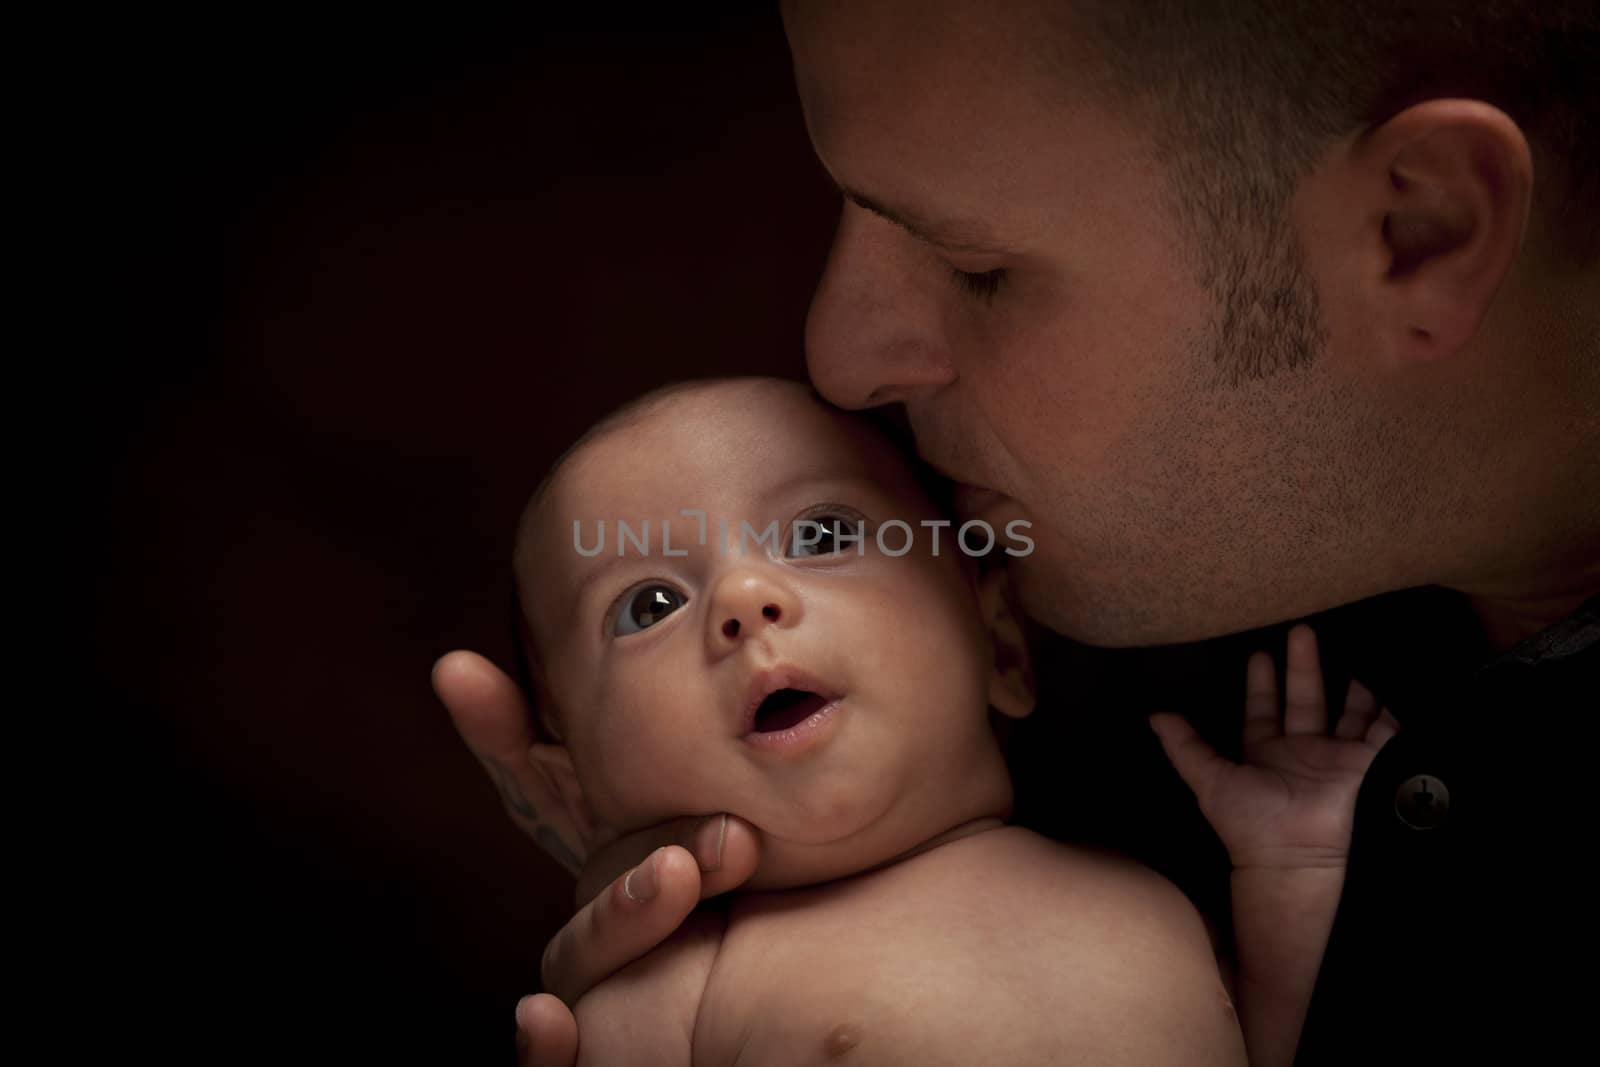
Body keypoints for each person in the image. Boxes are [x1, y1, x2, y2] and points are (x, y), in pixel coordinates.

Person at [435, 2, 1598, 1062]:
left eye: (973, 264)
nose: (836, 357)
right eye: (648, 604)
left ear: (1422, 227)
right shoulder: (1072, 600)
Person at [476, 374, 1404, 1064]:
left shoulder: (1143, 886)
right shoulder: (678, 984)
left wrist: (1290, 865)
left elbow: (1275, 1043)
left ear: (1000, 643)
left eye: (823, 535)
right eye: (647, 605)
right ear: (574, 786)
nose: (746, 597)